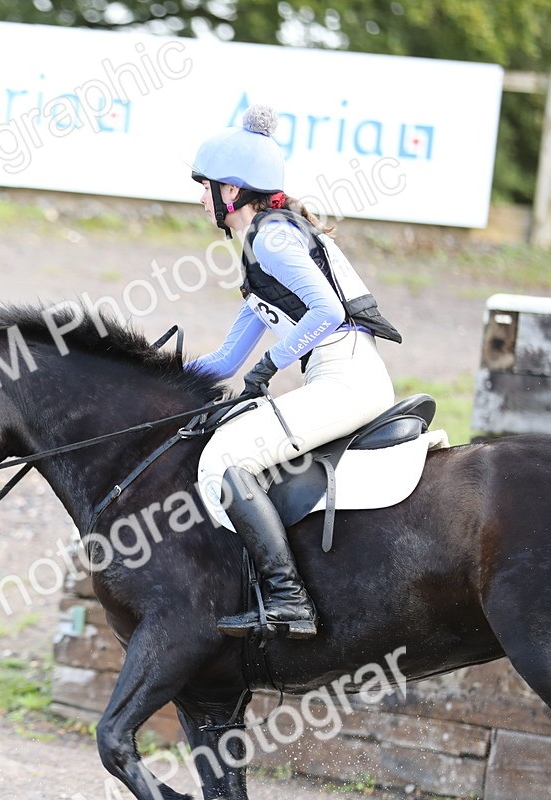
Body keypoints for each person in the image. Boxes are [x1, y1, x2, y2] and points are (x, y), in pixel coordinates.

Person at [185, 104, 402, 640]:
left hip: (347, 377)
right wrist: (156, 374)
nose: (201, 198)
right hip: (339, 375)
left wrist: (271, 364)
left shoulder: (272, 240)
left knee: (223, 462)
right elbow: (225, 360)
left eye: (205, 187)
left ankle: (288, 600)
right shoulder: (262, 251)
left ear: (231, 191)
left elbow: (327, 311)